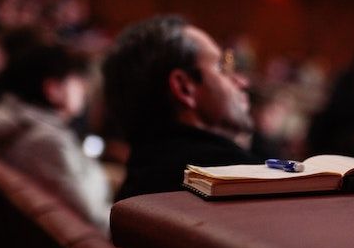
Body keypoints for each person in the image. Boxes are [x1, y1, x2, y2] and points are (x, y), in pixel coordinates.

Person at [102, 15, 260, 200]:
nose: (242, 82)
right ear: (185, 88)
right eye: (221, 67)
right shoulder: (241, 182)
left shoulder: (137, 186)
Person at [0, 45, 112, 234]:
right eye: (75, 79)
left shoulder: (24, 125)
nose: (83, 88)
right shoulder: (46, 143)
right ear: (53, 89)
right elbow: (94, 219)